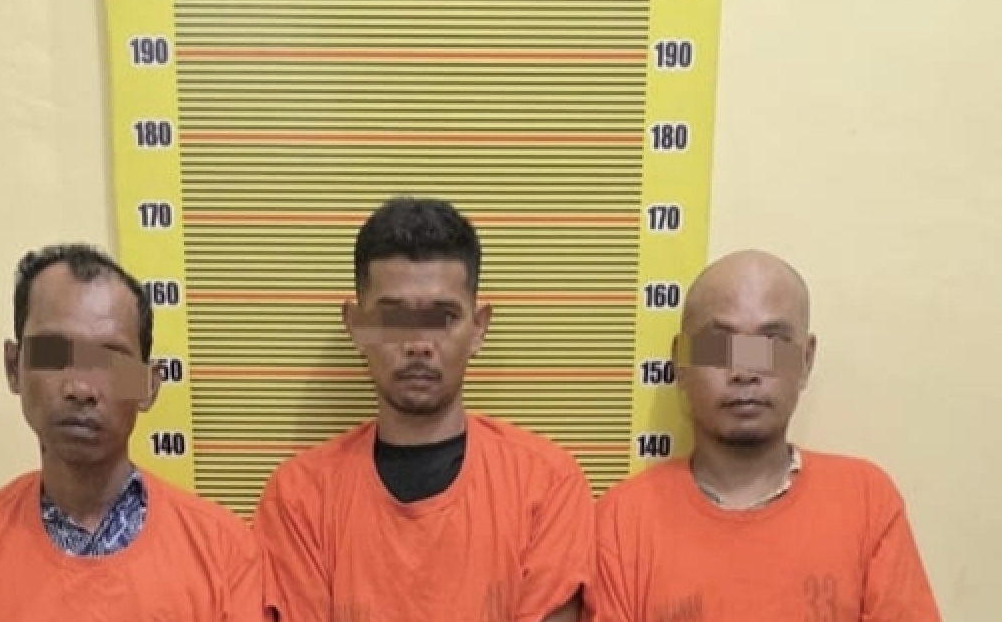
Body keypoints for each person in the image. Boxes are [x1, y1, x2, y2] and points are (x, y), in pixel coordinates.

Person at [253, 196, 595, 622]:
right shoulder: (299, 497)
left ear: (478, 328)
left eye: (442, 318)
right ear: (356, 326)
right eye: (393, 318)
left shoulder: (546, 486)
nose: (417, 343)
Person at [0, 243, 267, 622]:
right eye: (55, 355)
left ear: (148, 385)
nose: (81, 388)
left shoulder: (225, 554)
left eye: (110, 361)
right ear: (13, 367)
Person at [592, 249, 943, 622]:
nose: (745, 371)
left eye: (772, 346)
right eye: (719, 346)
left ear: (805, 360)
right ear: (682, 361)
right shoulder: (623, 521)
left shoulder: (867, 502)